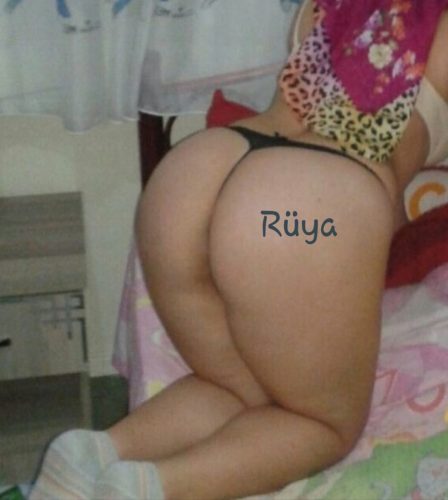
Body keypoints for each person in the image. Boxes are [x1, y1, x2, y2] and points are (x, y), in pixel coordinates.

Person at [29, 1, 448, 499]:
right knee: (323, 425)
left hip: (199, 172)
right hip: (297, 213)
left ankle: (93, 454)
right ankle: (151, 487)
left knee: (242, 388)